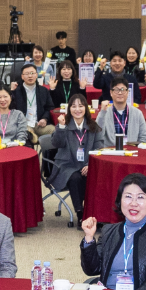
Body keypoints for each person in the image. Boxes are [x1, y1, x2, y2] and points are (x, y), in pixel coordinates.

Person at [50, 94, 97, 224]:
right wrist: (61, 127)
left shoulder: (93, 126)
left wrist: (90, 164)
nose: (77, 109)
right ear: (69, 109)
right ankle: (80, 213)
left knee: (94, 176)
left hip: (87, 164)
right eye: (73, 106)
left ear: (86, 108)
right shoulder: (64, 124)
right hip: (66, 166)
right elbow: (56, 143)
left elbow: (99, 149)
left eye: (81, 106)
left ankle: (94, 212)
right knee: (75, 177)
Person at [96, 81, 146, 147]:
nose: (120, 93)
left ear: (127, 93)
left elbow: (145, 138)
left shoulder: (137, 113)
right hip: (110, 153)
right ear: (111, 93)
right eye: (116, 90)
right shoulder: (104, 113)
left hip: (132, 152)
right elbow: (97, 136)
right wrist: (102, 113)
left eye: (123, 90)